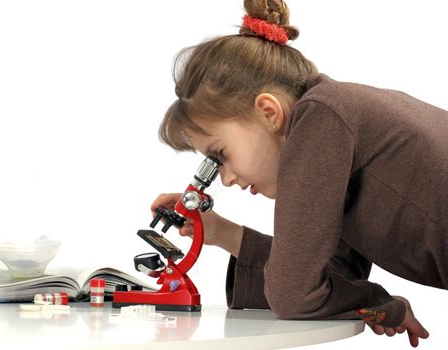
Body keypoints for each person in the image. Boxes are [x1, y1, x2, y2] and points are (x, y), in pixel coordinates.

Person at [150, 0, 447, 347]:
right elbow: (332, 275)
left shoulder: (320, 118)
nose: (227, 179)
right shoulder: (344, 123)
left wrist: (376, 301)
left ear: (268, 112)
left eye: (221, 154)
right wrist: (220, 232)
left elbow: (293, 292)